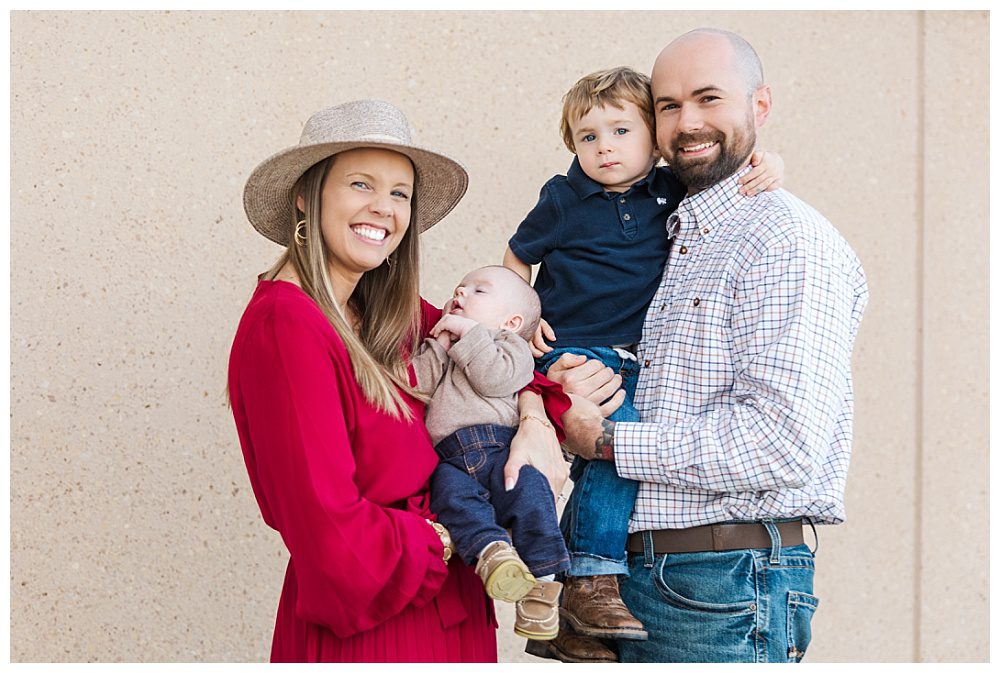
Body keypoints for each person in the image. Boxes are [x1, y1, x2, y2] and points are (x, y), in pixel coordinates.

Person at [545, 29, 869, 663]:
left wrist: (605, 440)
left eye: (709, 98)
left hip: (719, 581)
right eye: (668, 105)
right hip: (625, 580)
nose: (688, 122)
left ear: (760, 106)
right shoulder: (661, 230)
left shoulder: (784, 241)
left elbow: (784, 443)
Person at [227, 100, 567, 663]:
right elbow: (329, 533)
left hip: (452, 615)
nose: (382, 209)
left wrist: (533, 423)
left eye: (399, 193)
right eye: (361, 183)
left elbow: (506, 365)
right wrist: (460, 531)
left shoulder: (396, 312)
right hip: (376, 633)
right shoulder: (285, 327)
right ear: (306, 196)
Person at [504, 66, 784, 651]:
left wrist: (772, 165)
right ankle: (591, 576)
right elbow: (516, 255)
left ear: (654, 139)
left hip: (638, 355)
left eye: (620, 131)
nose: (604, 147)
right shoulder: (561, 198)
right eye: (588, 137)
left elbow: (733, 178)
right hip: (574, 349)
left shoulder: (669, 189)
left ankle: (564, 615)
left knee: (592, 465)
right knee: (615, 442)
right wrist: (525, 316)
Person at [411, 265, 568, 641]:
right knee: (452, 501)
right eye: (459, 288)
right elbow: (415, 384)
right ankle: (493, 554)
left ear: (511, 322)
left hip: (499, 448)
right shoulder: (449, 348)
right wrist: (439, 347)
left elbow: (495, 378)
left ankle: (542, 588)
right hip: (449, 459)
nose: (461, 294)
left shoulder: (509, 347)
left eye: (478, 292)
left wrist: (469, 336)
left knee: (531, 493)